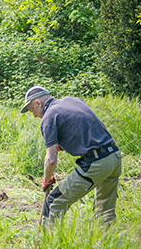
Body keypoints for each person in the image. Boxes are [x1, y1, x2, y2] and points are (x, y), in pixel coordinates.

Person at [21, 86, 123, 226]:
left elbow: (51, 160)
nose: (34, 115)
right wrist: (62, 146)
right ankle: (107, 244)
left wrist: (46, 181)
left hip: (97, 162)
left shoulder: (49, 117)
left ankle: (48, 244)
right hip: (114, 156)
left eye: (33, 110)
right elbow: (82, 126)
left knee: (54, 201)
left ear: (38, 103)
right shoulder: (72, 100)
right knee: (105, 211)